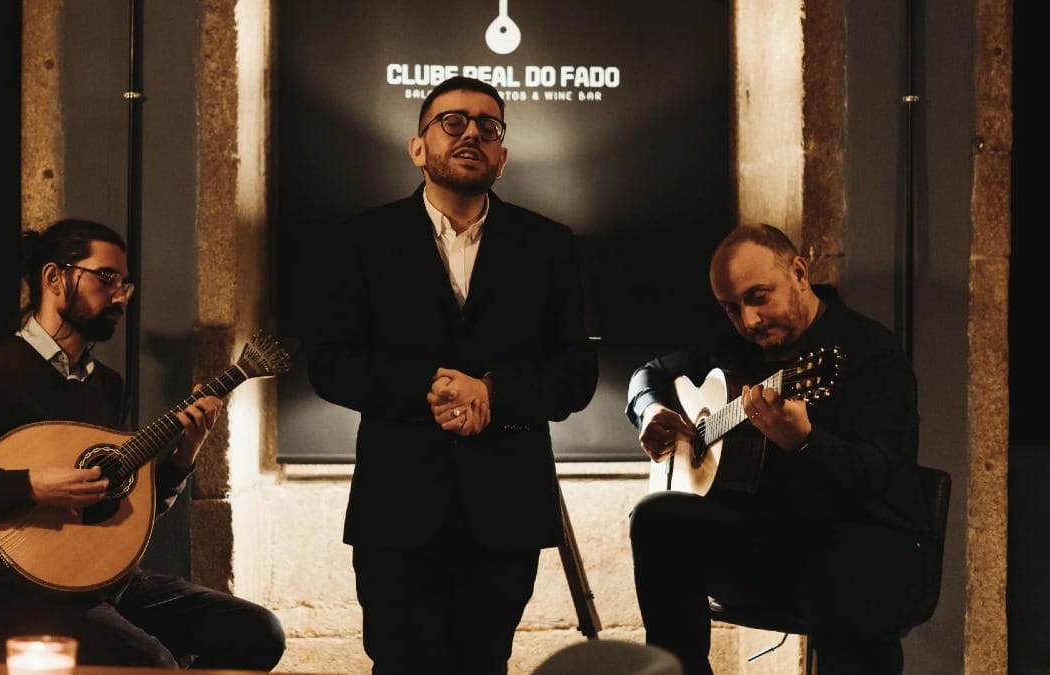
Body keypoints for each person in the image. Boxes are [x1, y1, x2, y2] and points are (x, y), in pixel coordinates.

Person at [302, 76, 599, 674]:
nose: (472, 134)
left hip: (506, 509)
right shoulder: (359, 242)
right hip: (397, 507)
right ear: (419, 148)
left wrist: (492, 392)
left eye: (489, 127)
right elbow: (331, 366)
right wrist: (434, 391)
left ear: (503, 156)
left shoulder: (549, 245)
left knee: (484, 664)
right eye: (453, 122)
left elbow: (576, 373)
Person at [0, 218, 286, 669]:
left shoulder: (107, 386)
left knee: (258, 632)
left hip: (102, 582)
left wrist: (184, 454)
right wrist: (32, 487)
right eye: (106, 278)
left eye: (125, 284)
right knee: (153, 662)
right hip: (13, 594)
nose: (120, 295)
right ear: (54, 278)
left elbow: (121, 504)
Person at [624, 223, 929, 675]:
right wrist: (649, 411)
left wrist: (805, 442)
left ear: (800, 273)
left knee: (845, 570)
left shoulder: (868, 353)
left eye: (758, 297)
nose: (748, 321)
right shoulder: (734, 345)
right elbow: (647, 374)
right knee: (656, 517)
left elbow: (878, 477)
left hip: (859, 542)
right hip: (766, 544)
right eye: (731, 309)